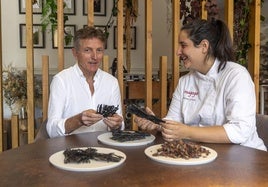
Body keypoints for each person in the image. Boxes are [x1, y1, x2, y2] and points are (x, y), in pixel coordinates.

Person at [135, 19, 267, 151]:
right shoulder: (185, 81)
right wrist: (156, 124)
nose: (178, 52)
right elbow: (173, 121)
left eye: (183, 45)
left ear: (204, 46)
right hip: (205, 154)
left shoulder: (236, 76)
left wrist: (188, 132)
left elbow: (240, 130)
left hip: (246, 157)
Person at [46, 26, 124, 138]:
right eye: (87, 50)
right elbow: (51, 130)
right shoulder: (61, 80)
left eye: (99, 50)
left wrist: (117, 124)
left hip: (106, 149)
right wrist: (78, 120)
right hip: (70, 150)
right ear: (75, 53)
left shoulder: (111, 82)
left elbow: (120, 124)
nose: (95, 57)